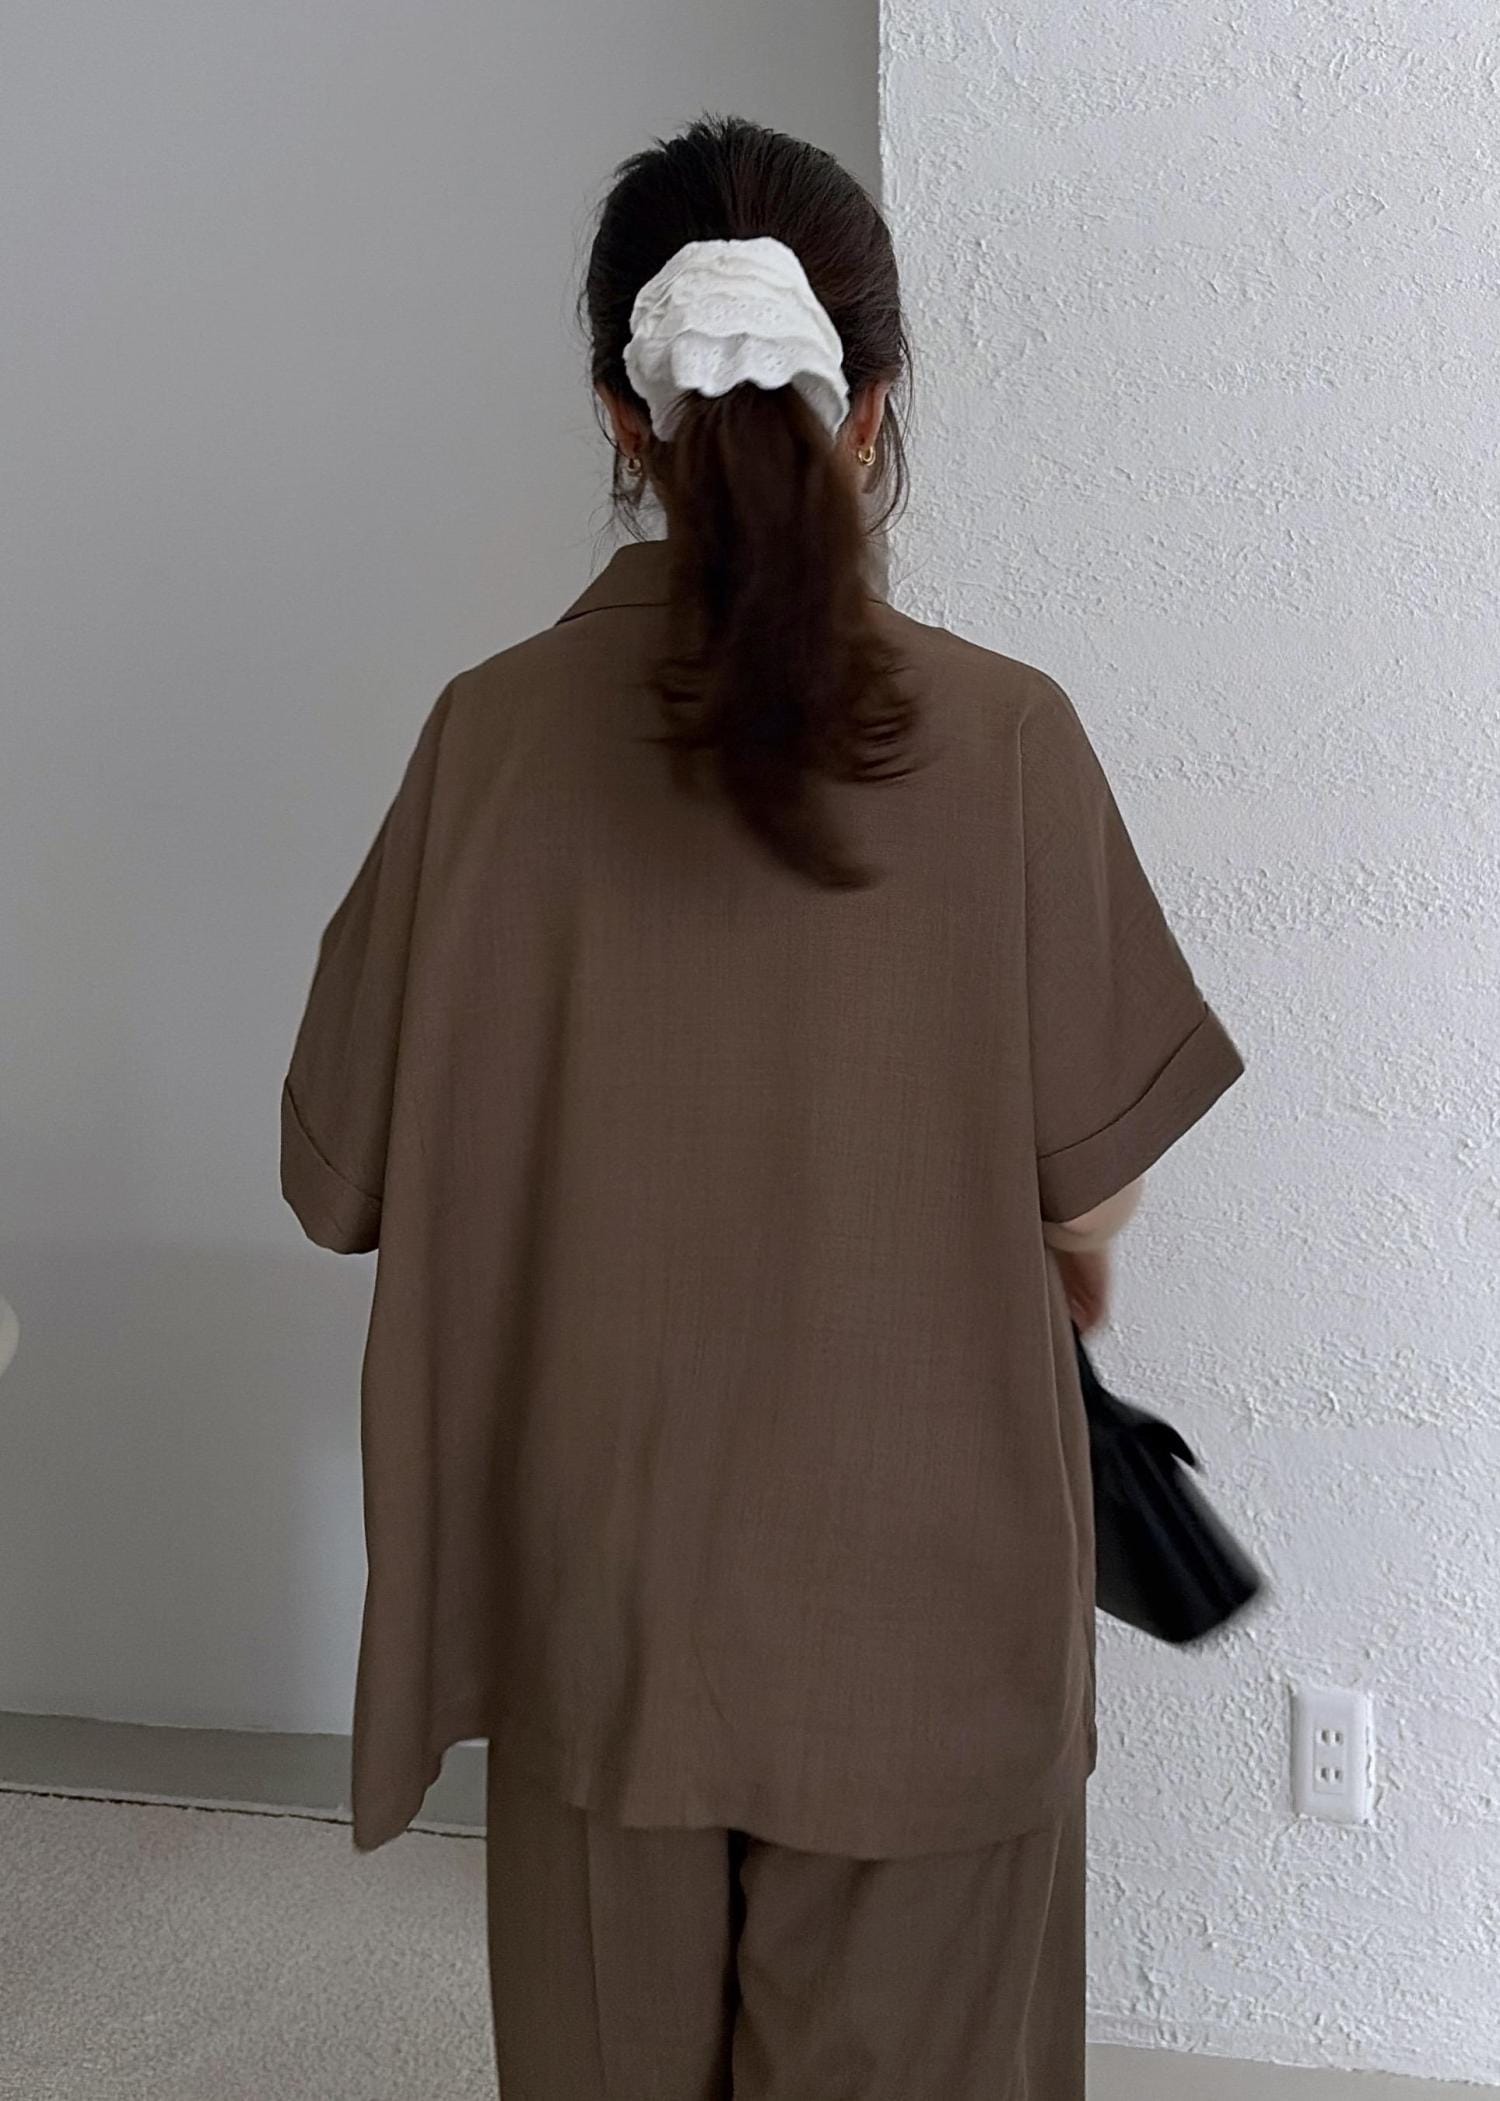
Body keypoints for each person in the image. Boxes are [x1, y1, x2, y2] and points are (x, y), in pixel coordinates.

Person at [282, 114, 1243, 2101]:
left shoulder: (487, 744)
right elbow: (1095, 1190)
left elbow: (334, 1177)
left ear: (620, 421)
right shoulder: (1007, 741)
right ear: (872, 408)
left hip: (600, 1621)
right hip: (933, 1610)